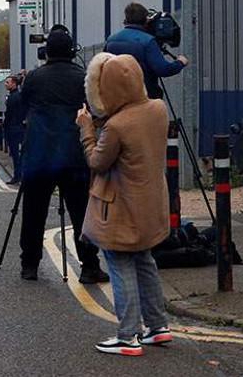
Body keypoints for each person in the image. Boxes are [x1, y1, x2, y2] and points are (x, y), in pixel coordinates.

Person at [77, 52, 172, 356]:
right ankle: (158, 327)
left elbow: (97, 162)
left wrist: (87, 129)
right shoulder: (158, 109)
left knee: (119, 265)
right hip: (150, 204)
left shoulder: (116, 126)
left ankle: (127, 336)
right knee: (145, 262)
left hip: (120, 207)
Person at [17, 26, 108, 284]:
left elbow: (25, 106)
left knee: (34, 212)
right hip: (74, 156)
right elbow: (94, 110)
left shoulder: (34, 77)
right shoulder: (82, 77)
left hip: (39, 155)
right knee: (81, 213)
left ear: (47, 52)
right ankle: (90, 266)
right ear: (71, 51)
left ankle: (30, 265)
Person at [104, 2, 189, 100]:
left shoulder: (111, 40)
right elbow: (163, 69)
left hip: (117, 98)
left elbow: (102, 66)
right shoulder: (147, 41)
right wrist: (180, 62)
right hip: (143, 98)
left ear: (126, 20)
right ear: (146, 20)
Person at [3, 75, 25, 185]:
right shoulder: (19, 96)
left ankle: (17, 176)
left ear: (14, 84)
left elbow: (9, 114)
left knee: (15, 154)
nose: (5, 84)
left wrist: (5, 126)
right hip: (20, 126)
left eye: (8, 82)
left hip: (13, 127)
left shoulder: (13, 97)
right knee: (19, 154)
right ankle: (19, 175)